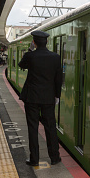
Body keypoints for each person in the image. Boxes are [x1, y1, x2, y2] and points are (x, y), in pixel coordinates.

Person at [19, 30, 63, 166]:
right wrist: (57, 95)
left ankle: (34, 159)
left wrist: (30, 51)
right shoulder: (55, 57)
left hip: (31, 97)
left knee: (32, 127)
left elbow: (21, 66)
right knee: (50, 127)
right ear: (47, 42)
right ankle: (55, 157)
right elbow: (58, 79)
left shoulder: (30, 56)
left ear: (34, 42)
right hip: (48, 97)